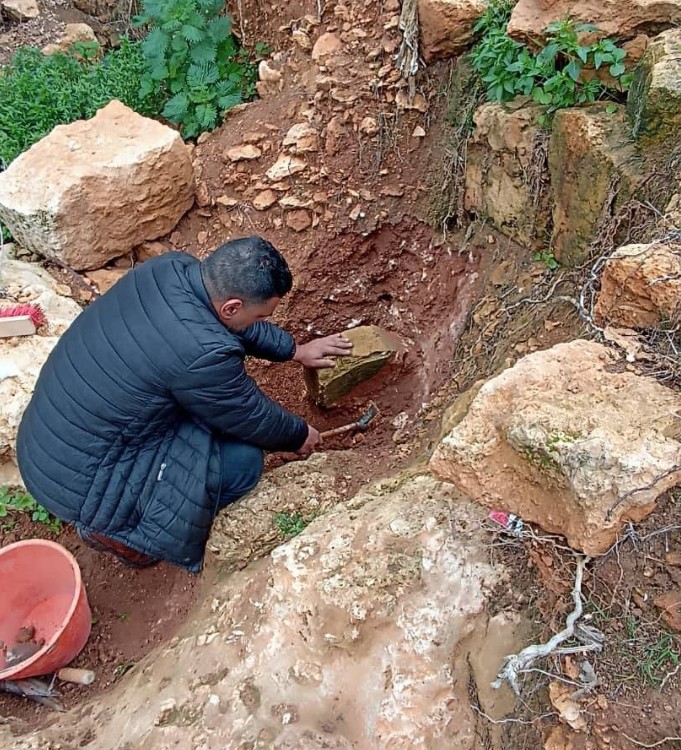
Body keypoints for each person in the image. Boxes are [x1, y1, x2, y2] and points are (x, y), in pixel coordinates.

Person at [16, 236, 352, 572]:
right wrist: (298, 435)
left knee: (195, 414)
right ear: (233, 306)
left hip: (47, 440)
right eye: (261, 316)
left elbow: (226, 326)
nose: (261, 323)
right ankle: (123, 536)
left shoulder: (172, 269)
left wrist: (295, 350)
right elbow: (247, 415)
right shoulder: (202, 353)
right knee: (243, 462)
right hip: (80, 480)